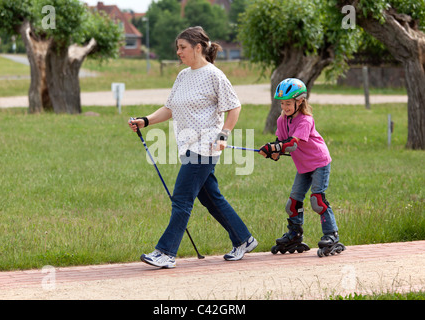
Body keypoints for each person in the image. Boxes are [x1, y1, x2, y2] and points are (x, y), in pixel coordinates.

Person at [129, 26, 257, 268]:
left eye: (183, 47)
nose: (178, 52)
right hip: (187, 146)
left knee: (181, 199)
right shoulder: (183, 76)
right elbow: (170, 108)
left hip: (205, 147)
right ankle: (244, 239)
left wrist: (224, 134)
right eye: (177, 48)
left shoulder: (214, 75)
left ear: (198, 48)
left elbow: (234, 106)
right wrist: (145, 121)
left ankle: (166, 253)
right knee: (211, 198)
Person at [258, 78, 345, 257]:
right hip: (303, 167)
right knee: (293, 203)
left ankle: (331, 235)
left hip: (319, 162)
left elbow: (291, 144)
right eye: (282, 103)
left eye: (288, 103)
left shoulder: (306, 120)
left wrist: (275, 148)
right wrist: (272, 152)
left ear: (300, 101)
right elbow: (281, 144)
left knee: (317, 200)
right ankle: (294, 235)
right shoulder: (282, 120)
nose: (284, 107)